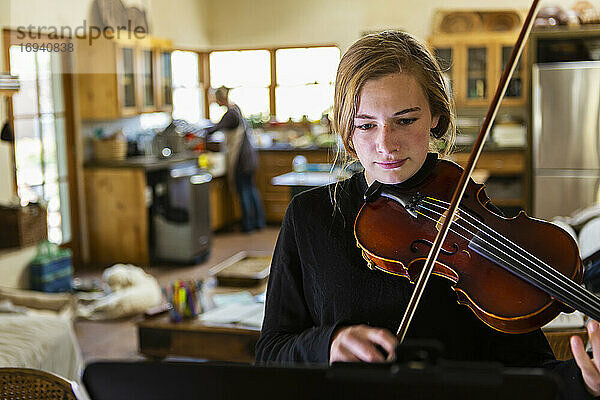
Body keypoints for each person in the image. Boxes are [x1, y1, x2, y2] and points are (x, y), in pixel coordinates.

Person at [256, 30, 600, 398]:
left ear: (435, 117)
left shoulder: (470, 217)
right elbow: (271, 352)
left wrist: (586, 381)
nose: (385, 145)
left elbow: (531, 372)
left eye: (405, 121)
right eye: (366, 124)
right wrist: (326, 345)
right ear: (345, 127)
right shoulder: (309, 216)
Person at [204, 86, 265, 232]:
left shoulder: (230, 114)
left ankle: (248, 225)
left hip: (241, 159)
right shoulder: (236, 109)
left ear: (220, 99)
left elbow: (215, 128)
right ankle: (258, 222)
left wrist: (200, 131)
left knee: (244, 189)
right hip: (249, 157)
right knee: (251, 189)